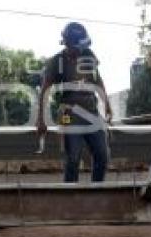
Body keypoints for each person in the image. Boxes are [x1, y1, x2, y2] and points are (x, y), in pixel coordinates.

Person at [36, 22, 113, 182]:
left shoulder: (89, 56)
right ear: (69, 43)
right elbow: (45, 89)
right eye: (79, 45)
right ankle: (70, 194)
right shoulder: (57, 61)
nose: (81, 49)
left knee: (102, 155)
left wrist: (107, 104)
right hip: (69, 114)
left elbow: (98, 81)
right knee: (73, 158)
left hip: (91, 111)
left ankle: (96, 191)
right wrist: (41, 119)